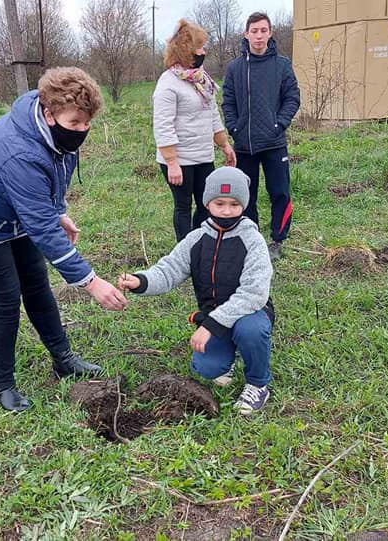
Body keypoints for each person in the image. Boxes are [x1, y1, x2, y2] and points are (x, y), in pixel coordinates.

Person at [0, 67, 128, 412]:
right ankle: (3, 384)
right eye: (75, 123)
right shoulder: (19, 152)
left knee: (37, 285)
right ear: (49, 113)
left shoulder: (56, 132)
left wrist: (58, 210)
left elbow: (56, 174)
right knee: (6, 298)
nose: (82, 131)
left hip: (15, 210)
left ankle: (63, 359)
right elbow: (41, 228)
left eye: (87, 123)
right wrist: (91, 282)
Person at [118, 167, 274, 415]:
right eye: (219, 203)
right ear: (207, 202)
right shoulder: (196, 238)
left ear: (244, 205)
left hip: (249, 313)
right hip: (213, 317)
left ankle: (258, 383)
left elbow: (254, 293)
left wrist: (210, 326)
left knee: (250, 330)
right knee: (206, 368)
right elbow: (169, 269)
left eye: (234, 204)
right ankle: (227, 359)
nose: (226, 210)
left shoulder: (253, 241)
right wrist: (141, 281)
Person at [222, 12, 301, 259]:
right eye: (254, 31)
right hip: (244, 145)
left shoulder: (281, 65)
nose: (258, 35)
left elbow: (292, 98)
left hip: (274, 143)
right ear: (246, 34)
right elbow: (228, 102)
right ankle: (251, 238)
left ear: (270, 33)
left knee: (280, 192)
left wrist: (280, 124)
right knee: (247, 196)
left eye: (263, 30)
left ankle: (278, 241)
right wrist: (234, 128)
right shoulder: (235, 68)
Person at [154, 19, 236, 241]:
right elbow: (163, 125)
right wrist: (171, 161)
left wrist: (224, 144)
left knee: (205, 202)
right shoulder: (168, 83)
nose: (203, 52)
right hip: (179, 160)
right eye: (199, 48)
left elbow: (212, 114)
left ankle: (200, 244)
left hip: (203, 155)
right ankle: (184, 250)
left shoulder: (202, 79)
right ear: (186, 51)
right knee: (183, 206)